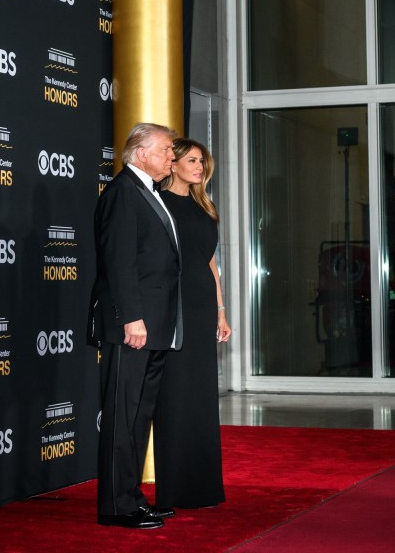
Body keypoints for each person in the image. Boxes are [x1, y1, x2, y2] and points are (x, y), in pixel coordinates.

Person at [87, 123, 182, 530]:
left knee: (139, 416)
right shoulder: (123, 193)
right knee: (121, 417)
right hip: (133, 326)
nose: (172, 157)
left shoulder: (148, 192)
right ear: (141, 153)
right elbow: (119, 261)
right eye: (166, 150)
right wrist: (132, 317)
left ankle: (131, 499)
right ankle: (115, 507)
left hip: (155, 325)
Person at [152, 138, 232, 511]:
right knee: (175, 392)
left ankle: (203, 486)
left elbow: (210, 264)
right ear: (173, 164)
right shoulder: (157, 203)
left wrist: (221, 311)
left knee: (201, 395)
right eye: (192, 160)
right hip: (173, 305)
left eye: (202, 161)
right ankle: (175, 488)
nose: (200, 167)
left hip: (201, 307)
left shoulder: (205, 207)